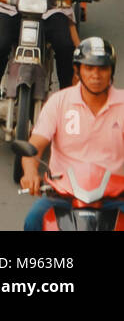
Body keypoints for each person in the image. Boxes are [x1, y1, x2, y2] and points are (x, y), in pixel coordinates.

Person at [20, 37, 124, 230]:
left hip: (114, 197)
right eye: (89, 68)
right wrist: (30, 173)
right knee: (33, 220)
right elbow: (35, 146)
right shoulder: (59, 102)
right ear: (78, 71)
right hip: (63, 195)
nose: (96, 75)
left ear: (111, 71)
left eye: (103, 68)